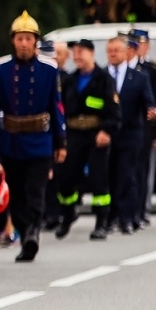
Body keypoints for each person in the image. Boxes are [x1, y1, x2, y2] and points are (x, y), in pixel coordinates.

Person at [0, 13, 66, 262]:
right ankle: (23, 228)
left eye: (28, 39)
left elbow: (57, 108)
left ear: (35, 42)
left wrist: (60, 141)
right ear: (13, 41)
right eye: (19, 39)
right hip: (11, 141)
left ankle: (33, 233)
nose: (23, 43)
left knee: (36, 191)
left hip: (40, 141)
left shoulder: (49, 69)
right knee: (17, 194)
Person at [54, 39, 119, 239]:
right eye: (74, 52)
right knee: (65, 178)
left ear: (91, 53)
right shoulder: (69, 81)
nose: (76, 56)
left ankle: (101, 222)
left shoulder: (104, 79)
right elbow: (60, 110)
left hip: (95, 134)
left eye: (81, 52)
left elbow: (114, 111)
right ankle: (68, 213)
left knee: (99, 180)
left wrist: (106, 131)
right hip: (74, 134)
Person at [106, 34, 156, 234]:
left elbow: (148, 101)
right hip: (109, 135)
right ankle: (110, 217)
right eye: (110, 51)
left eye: (117, 51)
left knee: (128, 176)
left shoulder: (139, 77)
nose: (113, 55)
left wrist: (152, 111)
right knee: (109, 176)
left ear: (126, 52)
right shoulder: (102, 76)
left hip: (131, 134)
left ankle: (128, 217)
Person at [131, 29, 156, 227]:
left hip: (147, 128)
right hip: (129, 128)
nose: (136, 48)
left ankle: (142, 210)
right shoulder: (122, 69)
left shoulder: (154, 69)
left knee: (144, 171)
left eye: (140, 44)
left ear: (147, 46)